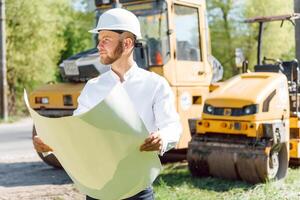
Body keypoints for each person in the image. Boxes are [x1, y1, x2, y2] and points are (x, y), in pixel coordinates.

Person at [33, 8, 182, 200]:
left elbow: (173, 126)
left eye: (106, 39)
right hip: (98, 190)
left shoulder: (155, 84)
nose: (99, 45)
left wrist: (162, 137)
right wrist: (50, 144)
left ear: (127, 43)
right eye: (99, 39)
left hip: (137, 190)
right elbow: (77, 132)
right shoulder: (93, 87)